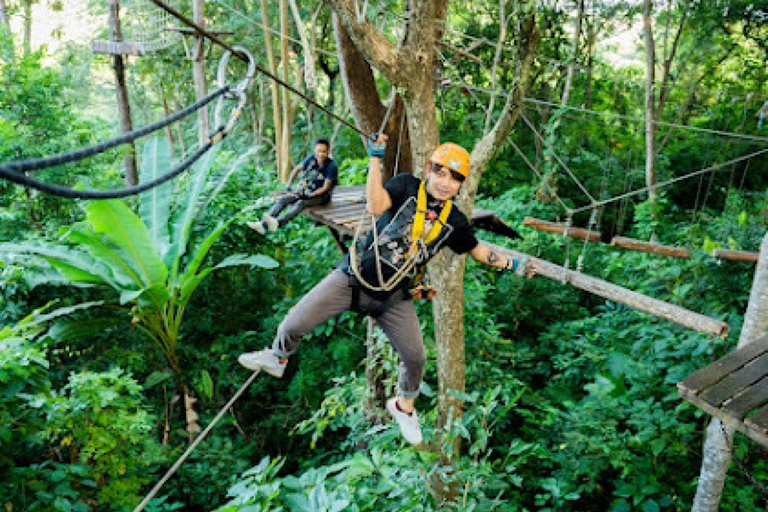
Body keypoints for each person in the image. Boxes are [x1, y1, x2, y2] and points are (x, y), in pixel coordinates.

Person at [239, 135, 536, 445]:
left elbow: (476, 250)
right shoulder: (408, 186)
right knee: (293, 323)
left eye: (454, 178)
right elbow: (375, 204)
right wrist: (375, 159)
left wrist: (512, 264)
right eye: (441, 173)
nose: (446, 183)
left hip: (392, 298)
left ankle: (403, 406)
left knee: (416, 358)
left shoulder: (455, 222)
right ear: (429, 170)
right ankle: (278, 357)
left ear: (461, 185)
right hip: (353, 278)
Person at [248, 139, 339, 235]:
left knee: (301, 203)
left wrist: (309, 196)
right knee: (283, 199)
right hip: (307, 190)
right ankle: (262, 225)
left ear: (328, 152)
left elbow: (325, 188)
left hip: (322, 196)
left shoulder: (331, 166)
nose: (321, 154)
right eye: (319, 151)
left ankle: (278, 222)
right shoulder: (311, 159)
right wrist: (289, 187)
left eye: (324, 152)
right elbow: (296, 170)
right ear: (314, 150)